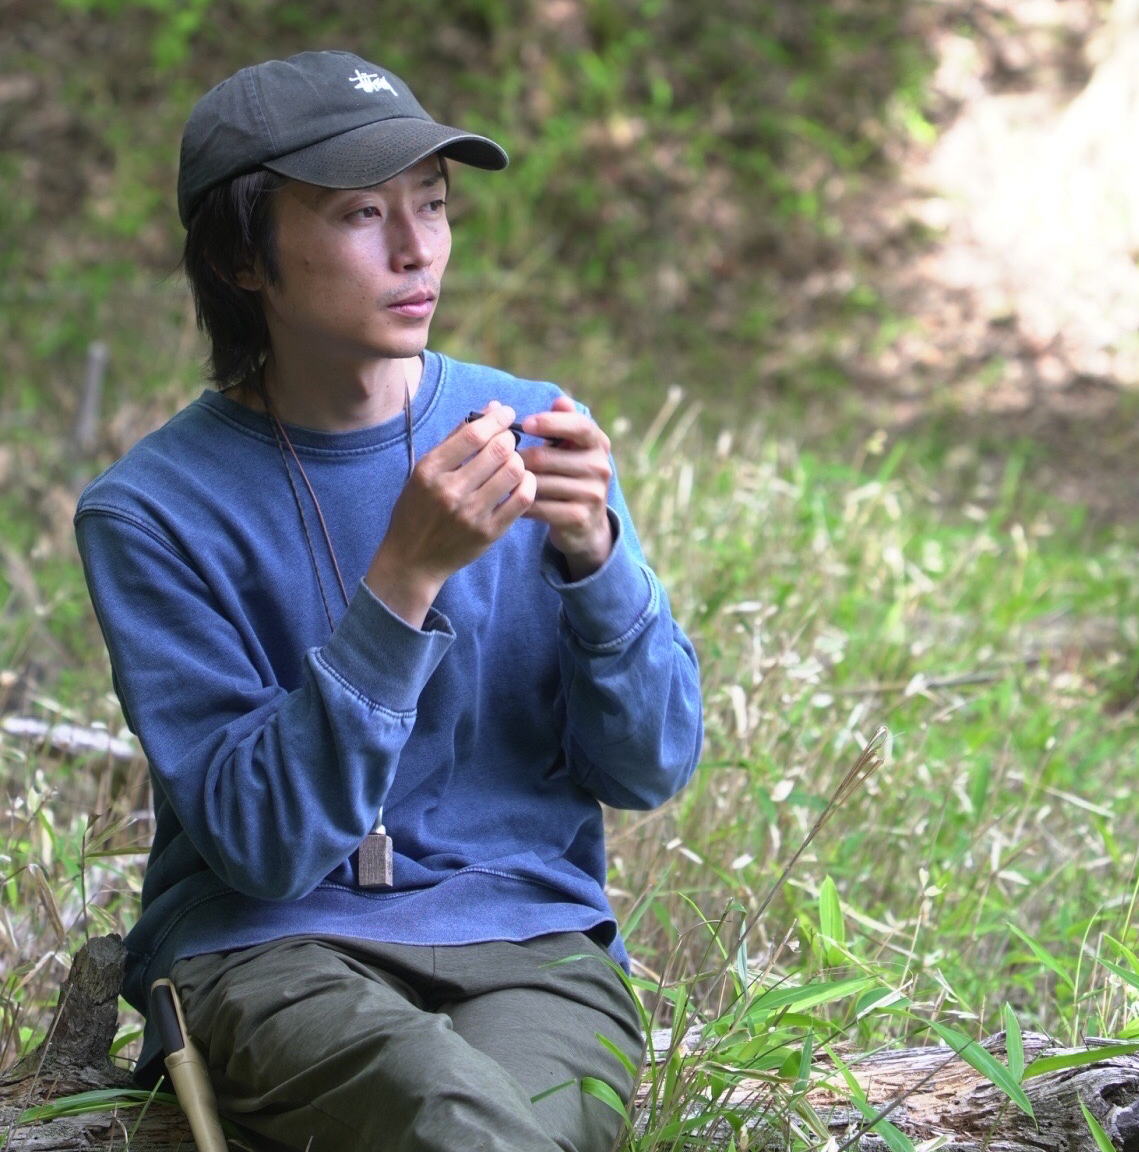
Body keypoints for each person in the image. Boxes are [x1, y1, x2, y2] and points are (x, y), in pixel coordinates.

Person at [74, 49, 702, 1152]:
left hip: (527, 940)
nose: (418, 249)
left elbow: (647, 768)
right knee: (450, 1120)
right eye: (364, 213)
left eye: (433, 205)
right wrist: (403, 579)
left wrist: (598, 560)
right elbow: (258, 847)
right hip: (266, 948)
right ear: (241, 257)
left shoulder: (529, 432)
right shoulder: (151, 512)